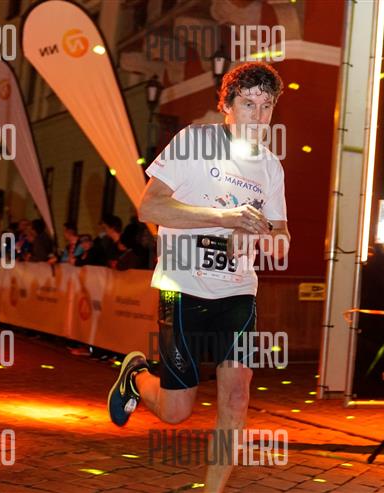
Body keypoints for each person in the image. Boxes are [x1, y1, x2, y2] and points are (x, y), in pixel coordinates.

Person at [107, 62, 290, 493]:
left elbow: (281, 235)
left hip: (238, 292)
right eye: (248, 104)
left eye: (266, 106)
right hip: (182, 287)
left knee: (237, 395)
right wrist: (225, 218)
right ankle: (136, 375)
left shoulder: (270, 166)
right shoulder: (194, 142)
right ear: (226, 105)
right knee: (176, 412)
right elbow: (150, 207)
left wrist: (265, 237)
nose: (258, 116)